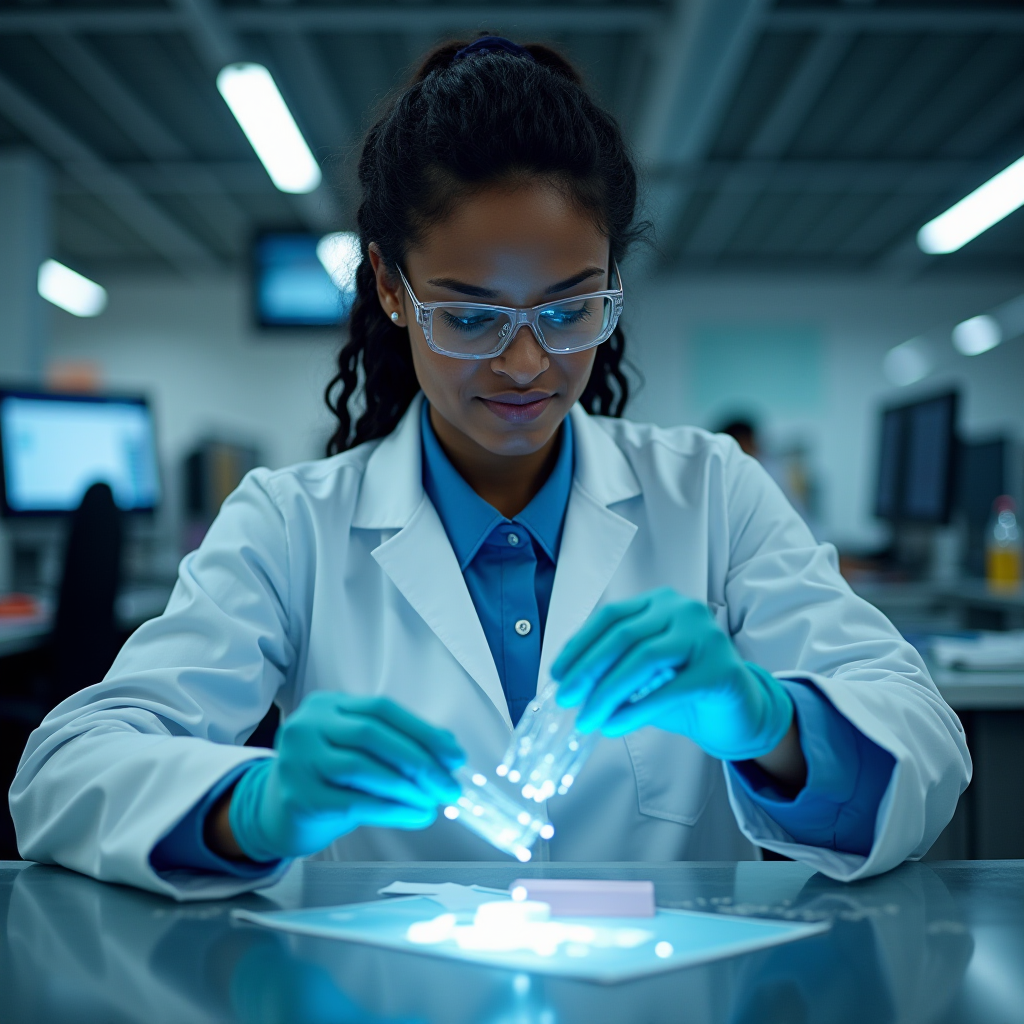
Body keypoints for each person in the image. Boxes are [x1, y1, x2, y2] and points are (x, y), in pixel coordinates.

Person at [11, 37, 969, 900]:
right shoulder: (288, 524)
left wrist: (769, 719)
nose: (525, 365)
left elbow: (927, 751)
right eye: (470, 316)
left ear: (613, 288)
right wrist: (257, 807)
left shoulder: (712, 494)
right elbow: (63, 772)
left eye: (568, 310)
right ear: (392, 288)